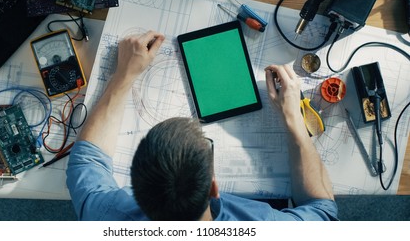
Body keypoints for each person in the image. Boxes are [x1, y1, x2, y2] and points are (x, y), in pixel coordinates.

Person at [66, 30, 338, 221]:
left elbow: (86, 161)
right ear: (213, 189)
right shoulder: (262, 223)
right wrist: (293, 120)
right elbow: (323, 212)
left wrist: (123, 76)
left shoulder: (104, 216)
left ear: (134, 190)